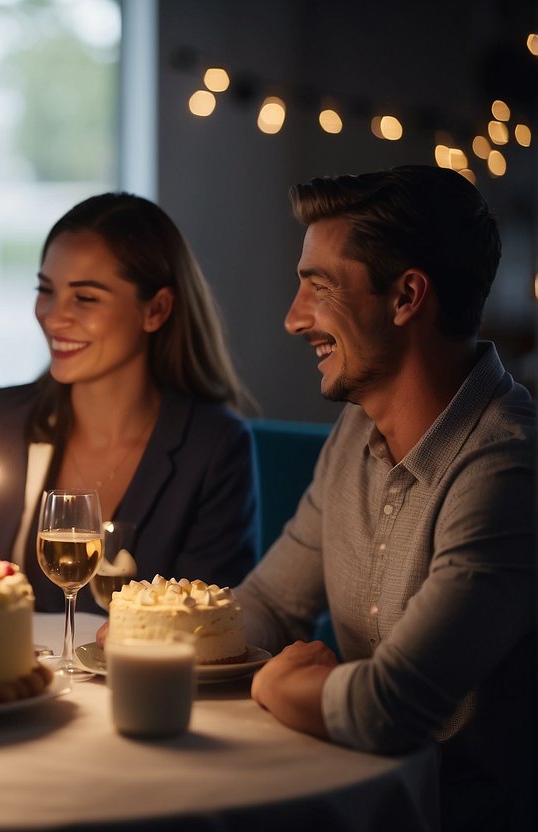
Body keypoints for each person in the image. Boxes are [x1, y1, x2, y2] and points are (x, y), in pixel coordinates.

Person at [239, 166, 534, 831]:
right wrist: (163, 638)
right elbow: (268, 603)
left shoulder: (507, 470)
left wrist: (272, 683)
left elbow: (388, 709)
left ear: (404, 298)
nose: (292, 319)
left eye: (317, 286)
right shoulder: (355, 431)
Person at [0, 193, 257, 612]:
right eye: (46, 290)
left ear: (156, 310)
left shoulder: (214, 447)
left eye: (85, 298)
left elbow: (209, 625)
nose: (53, 316)